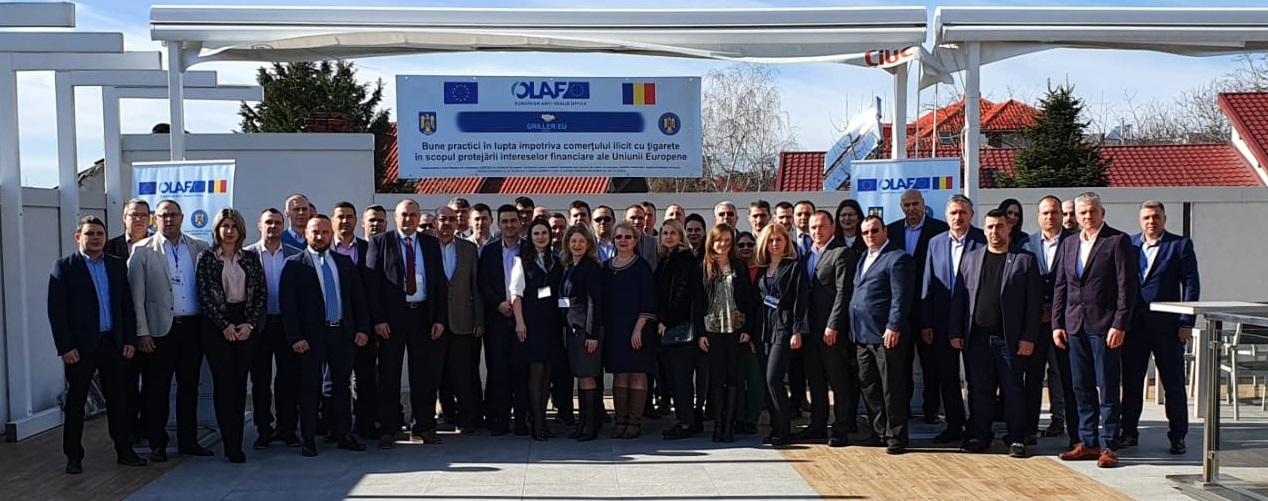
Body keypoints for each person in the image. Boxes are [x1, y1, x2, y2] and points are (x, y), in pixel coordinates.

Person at [49, 216, 145, 474]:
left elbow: (126, 305)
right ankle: (73, 457)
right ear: (78, 237)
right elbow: (57, 312)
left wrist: (129, 339)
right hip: (80, 348)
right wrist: (65, 347)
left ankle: (124, 451)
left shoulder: (115, 265)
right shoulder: (65, 267)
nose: (95, 238)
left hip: (113, 343)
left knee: (119, 400)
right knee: (76, 402)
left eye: (99, 234)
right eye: (89, 234)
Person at [1053, 192, 1138, 469]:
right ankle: (1088, 441)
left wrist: (1120, 323)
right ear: (1076, 215)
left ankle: (1110, 445)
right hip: (1074, 325)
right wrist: (1057, 323)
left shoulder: (1117, 241)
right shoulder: (1069, 243)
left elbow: (1127, 287)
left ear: (1102, 212)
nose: (1087, 216)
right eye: (1082, 212)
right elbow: (1062, 286)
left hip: (1105, 326)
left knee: (1108, 386)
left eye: (1092, 211)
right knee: (1081, 387)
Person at [953, 208, 1043, 457]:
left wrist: (1028, 337)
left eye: (999, 226)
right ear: (984, 230)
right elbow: (960, 298)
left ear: (1009, 228)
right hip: (977, 338)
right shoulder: (971, 258)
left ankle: (1016, 438)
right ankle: (980, 435)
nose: (995, 231)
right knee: (979, 389)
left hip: (1010, 340)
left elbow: (1033, 304)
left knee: (1013, 389)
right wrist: (956, 331)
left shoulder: (1024, 259)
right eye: (990, 227)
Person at [127, 199, 212, 462]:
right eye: (164, 215)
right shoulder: (142, 250)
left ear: (182, 218)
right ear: (156, 219)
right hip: (159, 332)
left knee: (189, 387)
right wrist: (142, 332)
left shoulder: (200, 247)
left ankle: (189, 441)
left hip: (192, 329)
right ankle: (158, 443)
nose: (169, 220)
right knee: (157, 390)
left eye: (174, 215)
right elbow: (136, 297)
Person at [280, 215, 371, 457]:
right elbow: (288, 306)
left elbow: (357, 299)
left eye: (324, 232)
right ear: (306, 234)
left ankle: (344, 434)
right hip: (311, 337)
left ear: (331, 233)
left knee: (341, 386)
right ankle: (309, 438)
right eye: (315, 232)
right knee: (310, 387)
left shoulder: (343, 262)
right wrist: (295, 337)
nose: (320, 237)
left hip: (341, 334)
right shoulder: (294, 264)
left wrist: (362, 329)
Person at [365, 199, 449, 448]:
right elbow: (372, 284)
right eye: (404, 214)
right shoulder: (380, 242)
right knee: (389, 373)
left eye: (413, 215)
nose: (409, 219)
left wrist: (439, 318)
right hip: (392, 319)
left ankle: (423, 426)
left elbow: (439, 283)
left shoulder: (430, 243)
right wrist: (378, 319)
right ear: (395, 217)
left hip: (422, 315)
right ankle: (389, 428)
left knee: (423, 374)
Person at [1121, 201, 1199, 455]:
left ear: (1164, 219)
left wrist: (1186, 321)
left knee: (1173, 384)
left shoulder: (1180, 245)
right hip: (1134, 327)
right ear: (1140, 220)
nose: (1151, 222)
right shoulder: (1129, 244)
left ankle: (1178, 436)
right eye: (1146, 217)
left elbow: (1191, 284)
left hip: (1168, 327)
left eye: (1156, 217)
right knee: (1131, 382)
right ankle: (1128, 432)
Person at [194, 208, 267, 463]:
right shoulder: (206, 258)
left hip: (245, 324)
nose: (229, 230)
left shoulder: (250, 258)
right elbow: (204, 295)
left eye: (234, 226)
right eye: (225, 226)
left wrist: (249, 324)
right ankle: (231, 445)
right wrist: (224, 325)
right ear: (217, 229)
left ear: (241, 230)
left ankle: (238, 437)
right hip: (217, 327)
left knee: (239, 385)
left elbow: (260, 295)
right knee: (224, 385)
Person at [918, 195, 985, 444]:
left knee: (977, 378)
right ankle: (954, 425)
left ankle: (978, 426)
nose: (958, 217)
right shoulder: (935, 243)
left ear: (971, 215)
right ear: (946, 216)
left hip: (975, 321)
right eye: (954, 213)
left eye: (963, 212)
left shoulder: (983, 240)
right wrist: (926, 322)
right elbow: (928, 285)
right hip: (942, 321)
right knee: (947, 377)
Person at [850, 216, 914, 455]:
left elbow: (901, 297)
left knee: (891, 388)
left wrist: (894, 326)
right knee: (869, 386)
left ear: (885, 231)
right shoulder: (862, 257)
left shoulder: (898, 258)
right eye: (865, 232)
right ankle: (878, 432)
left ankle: (896, 436)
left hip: (885, 334)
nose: (870, 235)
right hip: (861, 334)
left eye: (874, 230)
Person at [886, 189, 949, 425]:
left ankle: (931, 409)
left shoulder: (940, 230)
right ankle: (903, 409)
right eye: (907, 205)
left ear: (923, 204)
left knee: (930, 363)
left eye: (915, 204)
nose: (911, 209)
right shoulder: (890, 231)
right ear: (901, 207)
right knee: (901, 363)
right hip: (899, 309)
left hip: (928, 308)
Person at [799, 211, 858, 447]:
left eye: (822, 226)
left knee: (838, 380)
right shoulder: (807, 254)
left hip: (831, 330)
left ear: (832, 227)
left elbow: (843, 292)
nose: (817, 231)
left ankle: (841, 428)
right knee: (815, 380)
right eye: (813, 227)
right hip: (810, 330)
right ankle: (817, 424)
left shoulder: (841, 252)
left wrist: (833, 324)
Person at [245, 209, 303, 449]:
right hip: (258, 326)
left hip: (287, 326)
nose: (273, 226)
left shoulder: (295, 255)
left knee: (288, 380)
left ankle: (287, 428)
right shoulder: (246, 255)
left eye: (278, 222)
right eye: (268, 222)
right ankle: (264, 429)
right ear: (259, 225)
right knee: (260, 381)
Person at [1022, 196, 1077, 444]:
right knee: (1033, 378)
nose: (1050, 217)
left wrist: (1056, 310)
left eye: (1054, 212)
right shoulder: (1027, 244)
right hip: (1035, 324)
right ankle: (1029, 430)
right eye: (1045, 213)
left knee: (1068, 378)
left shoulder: (1074, 242)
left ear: (1061, 216)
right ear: (1038, 216)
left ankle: (1076, 433)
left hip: (1065, 322)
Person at [696, 224, 755, 443]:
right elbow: (697, 302)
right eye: (719, 240)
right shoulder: (703, 267)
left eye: (728, 241)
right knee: (716, 378)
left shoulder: (739, 266)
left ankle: (729, 425)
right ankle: (718, 424)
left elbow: (749, 300)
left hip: (735, 329)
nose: (723, 244)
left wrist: (748, 330)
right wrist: (700, 333)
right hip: (711, 330)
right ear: (711, 241)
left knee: (733, 378)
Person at [603, 222, 658, 439]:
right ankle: (620, 420)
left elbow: (649, 300)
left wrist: (638, 329)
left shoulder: (642, 267)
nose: (623, 241)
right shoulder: (606, 268)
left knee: (637, 373)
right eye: (619, 237)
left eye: (628, 237)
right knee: (620, 373)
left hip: (638, 328)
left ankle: (635, 422)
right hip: (615, 329)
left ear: (635, 241)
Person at [511, 218, 564, 440]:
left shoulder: (557, 259)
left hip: (552, 323)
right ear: (530, 237)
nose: (541, 237)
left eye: (544, 233)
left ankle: (543, 421)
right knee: (536, 372)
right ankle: (537, 423)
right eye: (536, 233)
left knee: (548, 372)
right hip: (532, 324)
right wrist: (520, 322)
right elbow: (516, 293)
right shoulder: (521, 261)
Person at [754, 224, 805, 446]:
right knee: (766, 382)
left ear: (786, 242)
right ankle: (776, 427)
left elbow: (800, 301)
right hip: (764, 329)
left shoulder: (793, 267)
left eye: (779, 239)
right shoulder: (762, 269)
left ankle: (784, 430)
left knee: (773, 379)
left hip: (784, 328)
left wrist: (797, 330)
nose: (775, 244)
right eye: (771, 240)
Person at [103, 198, 150, 443]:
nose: (138, 219)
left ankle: (147, 428)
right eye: (134, 214)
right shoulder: (109, 248)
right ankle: (127, 432)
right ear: (124, 218)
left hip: (152, 327)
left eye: (143, 215)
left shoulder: (158, 247)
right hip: (120, 330)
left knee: (153, 385)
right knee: (124, 385)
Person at [479, 204, 528, 436]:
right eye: (505, 221)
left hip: (523, 320)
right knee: (498, 371)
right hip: (497, 320)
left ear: (520, 223)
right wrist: (498, 303)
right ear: (498, 224)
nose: (509, 225)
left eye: (513, 221)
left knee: (521, 372)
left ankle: (521, 420)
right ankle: (500, 418)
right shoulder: (488, 251)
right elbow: (483, 283)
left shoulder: (529, 249)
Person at [435, 206, 485, 436]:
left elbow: (476, 285)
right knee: (439, 373)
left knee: (463, 373)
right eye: (442, 219)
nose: (446, 223)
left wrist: (479, 319)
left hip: (463, 320)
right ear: (435, 222)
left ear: (458, 223)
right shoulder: (427, 247)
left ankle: (467, 419)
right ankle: (447, 414)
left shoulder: (468, 248)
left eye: (451, 219)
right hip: (435, 321)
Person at [332, 201, 377, 439]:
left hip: (363, 324)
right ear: (333, 220)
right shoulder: (323, 250)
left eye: (349, 216)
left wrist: (366, 326)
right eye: (340, 216)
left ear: (356, 221)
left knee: (365, 377)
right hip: (333, 325)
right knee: (334, 380)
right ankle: (335, 427)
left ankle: (365, 425)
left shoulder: (369, 248)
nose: (345, 221)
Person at [656, 220, 704, 440]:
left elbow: (683, 294)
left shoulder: (685, 259)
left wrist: (667, 320)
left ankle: (686, 422)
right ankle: (685, 419)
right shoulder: (665, 259)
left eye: (673, 233)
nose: (668, 236)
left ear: (680, 236)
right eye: (665, 233)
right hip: (667, 327)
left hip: (679, 327)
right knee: (674, 378)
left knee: (681, 378)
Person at [559, 224, 605, 441]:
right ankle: (582, 423)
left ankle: (591, 426)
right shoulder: (570, 266)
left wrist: (592, 334)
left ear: (588, 244)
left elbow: (594, 302)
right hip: (573, 330)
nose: (577, 245)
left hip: (585, 332)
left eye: (581, 241)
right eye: (573, 241)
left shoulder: (590, 267)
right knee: (580, 376)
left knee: (587, 377)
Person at [733, 230, 764, 436]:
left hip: (756, 332)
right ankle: (738, 417)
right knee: (736, 378)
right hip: (733, 333)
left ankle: (751, 418)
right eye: (741, 245)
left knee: (754, 380)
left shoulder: (762, 270)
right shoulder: (730, 270)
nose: (745, 248)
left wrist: (751, 332)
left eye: (749, 244)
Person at [625, 204, 660, 270]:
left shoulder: (655, 242)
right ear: (625, 220)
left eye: (641, 218)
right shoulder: (617, 243)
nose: (637, 221)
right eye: (633, 218)